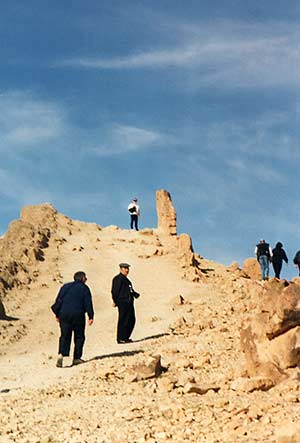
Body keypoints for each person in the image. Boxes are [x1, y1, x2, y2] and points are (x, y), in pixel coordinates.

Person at [51, 271, 94, 368]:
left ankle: (61, 354)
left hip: (64, 314)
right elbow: (88, 302)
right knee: (79, 336)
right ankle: (76, 358)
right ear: (82, 279)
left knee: (64, 335)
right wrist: (90, 316)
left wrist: (57, 314)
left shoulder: (65, 287)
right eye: (85, 277)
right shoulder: (84, 288)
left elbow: (58, 300)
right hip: (78, 314)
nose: (86, 279)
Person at [111, 263, 140, 344]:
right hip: (122, 302)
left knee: (131, 319)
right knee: (123, 320)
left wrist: (135, 294)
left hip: (129, 302)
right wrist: (115, 301)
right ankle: (120, 338)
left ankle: (126, 337)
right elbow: (115, 291)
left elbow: (129, 290)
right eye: (125, 268)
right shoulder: (118, 279)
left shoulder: (126, 279)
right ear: (120, 269)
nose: (127, 270)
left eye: (127, 268)